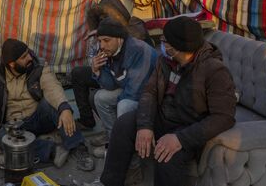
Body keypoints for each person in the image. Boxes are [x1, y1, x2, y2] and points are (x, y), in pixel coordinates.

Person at [99, 16, 236, 186]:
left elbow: (224, 117)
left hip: (188, 127)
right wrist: (145, 125)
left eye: (165, 40)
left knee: (166, 156)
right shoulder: (165, 61)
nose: (162, 44)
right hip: (163, 118)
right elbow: (150, 92)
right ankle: (111, 182)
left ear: (178, 47)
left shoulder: (215, 71)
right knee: (124, 125)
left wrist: (180, 139)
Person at [0, 39, 95, 171]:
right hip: (15, 125)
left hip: (39, 117)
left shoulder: (39, 67)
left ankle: (78, 148)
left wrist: (64, 107)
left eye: (28, 53)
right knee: (1, 138)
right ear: (12, 64)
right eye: (24, 57)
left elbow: (53, 88)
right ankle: (53, 151)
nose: (30, 58)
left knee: (53, 105)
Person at [71, 17, 158, 151]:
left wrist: (117, 111)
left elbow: (134, 93)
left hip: (148, 97)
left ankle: (124, 145)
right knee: (100, 97)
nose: (102, 46)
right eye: (100, 41)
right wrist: (97, 71)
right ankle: (114, 139)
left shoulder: (139, 51)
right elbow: (111, 85)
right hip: (128, 90)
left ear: (120, 38)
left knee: (123, 105)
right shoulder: (107, 51)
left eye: (107, 40)